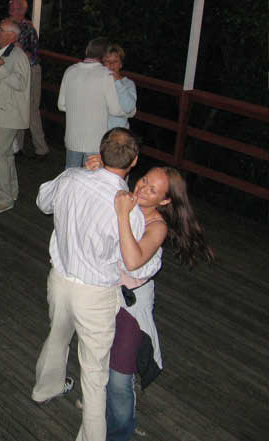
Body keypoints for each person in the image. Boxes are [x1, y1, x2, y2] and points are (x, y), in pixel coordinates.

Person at [31, 128, 161, 441]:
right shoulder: (129, 211)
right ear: (134, 162)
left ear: (100, 151)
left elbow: (42, 202)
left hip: (60, 281)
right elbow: (132, 263)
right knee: (94, 375)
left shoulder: (70, 177)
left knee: (57, 337)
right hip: (95, 295)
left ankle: (44, 389)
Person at [84, 155, 214, 441]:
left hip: (129, 308)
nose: (142, 189)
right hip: (101, 295)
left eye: (152, 190)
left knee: (120, 377)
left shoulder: (157, 226)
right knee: (97, 360)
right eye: (143, 180)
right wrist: (94, 171)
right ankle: (99, 408)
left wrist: (122, 215)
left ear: (165, 201)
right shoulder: (124, 197)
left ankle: (120, 431)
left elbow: (132, 261)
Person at [57, 38, 134, 169]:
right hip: (95, 141)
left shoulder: (70, 70)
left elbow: (61, 105)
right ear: (103, 57)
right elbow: (115, 110)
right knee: (91, 176)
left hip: (73, 137)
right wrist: (130, 112)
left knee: (70, 174)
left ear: (87, 50)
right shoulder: (106, 75)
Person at [0, 19, 30, 214]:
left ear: (12, 35)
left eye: (0, 30)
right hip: (3, 112)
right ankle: (10, 191)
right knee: (6, 154)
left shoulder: (18, 55)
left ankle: (4, 199)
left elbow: (20, 83)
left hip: (9, 113)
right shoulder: (4, 53)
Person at [8, 0, 49, 159]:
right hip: (14, 72)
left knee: (31, 109)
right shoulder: (5, 26)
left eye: (14, 7)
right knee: (17, 107)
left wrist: (20, 51)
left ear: (22, 10)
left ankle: (41, 149)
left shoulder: (28, 28)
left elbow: (34, 55)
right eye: (10, 7)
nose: (11, 10)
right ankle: (17, 147)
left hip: (31, 71)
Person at [103, 44, 136, 130]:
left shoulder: (128, 84)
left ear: (121, 64)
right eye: (107, 61)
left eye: (115, 61)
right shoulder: (99, 81)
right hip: (99, 131)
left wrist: (117, 82)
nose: (111, 64)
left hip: (119, 132)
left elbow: (128, 108)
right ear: (102, 64)